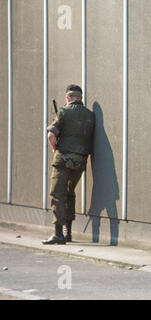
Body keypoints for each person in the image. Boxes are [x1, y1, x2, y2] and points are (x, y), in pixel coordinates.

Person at [42, 85, 95, 245]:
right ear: (81, 97)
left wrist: (55, 149)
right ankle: (68, 233)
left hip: (63, 159)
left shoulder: (63, 111)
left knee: (58, 194)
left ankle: (58, 234)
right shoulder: (90, 115)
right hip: (80, 161)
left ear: (67, 98)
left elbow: (51, 135)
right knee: (70, 193)